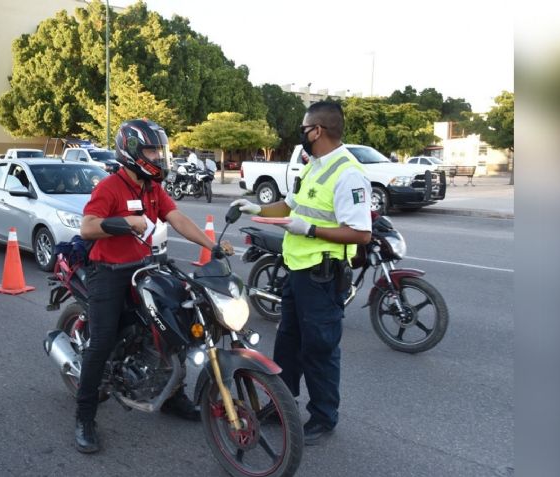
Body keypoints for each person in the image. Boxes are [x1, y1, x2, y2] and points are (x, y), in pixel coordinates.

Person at [75, 119, 233, 454]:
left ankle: (173, 396)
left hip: (144, 266)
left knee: (170, 327)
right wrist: (124, 223)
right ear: (131, 151)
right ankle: (85, 417)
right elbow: (87, 227)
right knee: (101, 342)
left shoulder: (152, 188)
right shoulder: (110, 187)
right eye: (151, 150)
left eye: (159, 150)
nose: (158, 157)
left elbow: (177, 218)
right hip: (108, 271)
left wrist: (210, 243)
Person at [232, 101, 371, 446]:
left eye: (304, 128)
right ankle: (283, 403)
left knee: (319, 349)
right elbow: (292, 205)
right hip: (298, 272)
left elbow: (360, 233)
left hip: (322, 277)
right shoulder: (315, 167)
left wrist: (310, 230)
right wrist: (257, 207)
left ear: (318, 131)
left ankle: (324, 417)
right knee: (288, 342)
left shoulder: (348, 173)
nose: (302, 134)